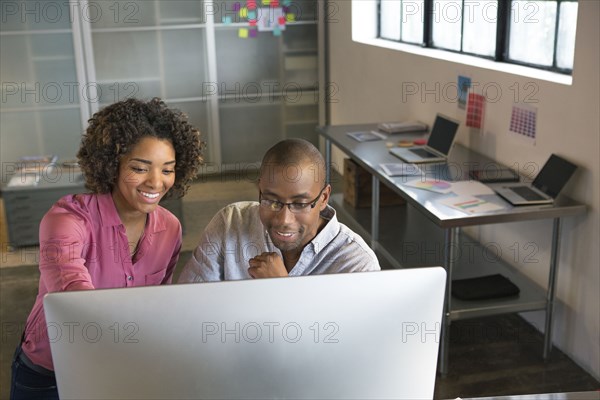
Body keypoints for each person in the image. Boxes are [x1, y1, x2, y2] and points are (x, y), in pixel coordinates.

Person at [10, 98, 203, 400]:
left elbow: (157, 303)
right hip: (50, 371)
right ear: (111, 165)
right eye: (140, 168)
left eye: (168, 169)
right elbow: (75, 297)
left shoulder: (171, 228)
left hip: (123, 364)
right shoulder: (66, 220)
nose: (156, 182)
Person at [178, 138, 380, 283]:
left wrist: (281, 288)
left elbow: (345, 340)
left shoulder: (357, 264)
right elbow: (189, 308)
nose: (284, 219)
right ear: (260, 191)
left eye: (300, 204)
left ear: (324, 198)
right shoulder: (230, 224)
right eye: (272, 201)